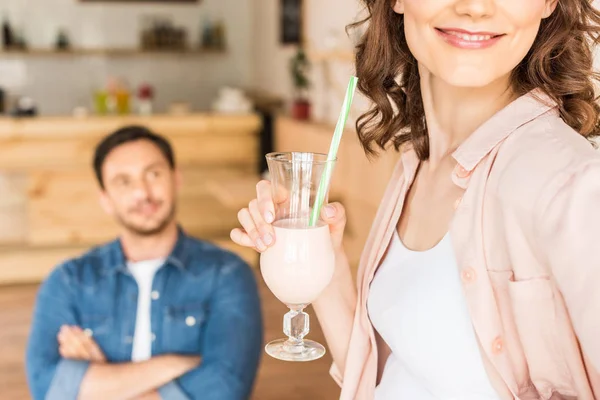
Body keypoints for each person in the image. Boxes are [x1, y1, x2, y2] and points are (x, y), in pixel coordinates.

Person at [232, 0, 600, 399]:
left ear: (548, 4)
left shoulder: (570, 183)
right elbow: (384, 376)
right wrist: (325, 263)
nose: (475, 8)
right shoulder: (418, 162)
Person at [27, 125, 263, 400]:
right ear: (106, 199)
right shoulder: (69, 280)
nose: (143, 192)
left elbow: (225, 387)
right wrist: (180, 363)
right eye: (123, 182)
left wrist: (100, 385)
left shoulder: (227, 273)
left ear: (176, 179)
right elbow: (47, 387)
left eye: (153, 174)